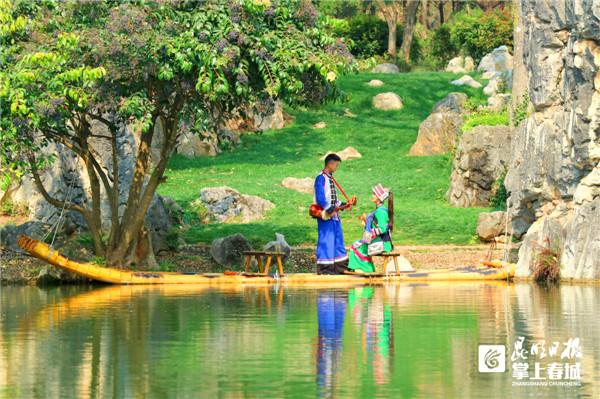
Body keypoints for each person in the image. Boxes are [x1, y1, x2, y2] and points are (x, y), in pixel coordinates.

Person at [314, 153, 352, 275]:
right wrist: (329, 209)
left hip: (334, 216)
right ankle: (325, 269)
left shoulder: (330, 178)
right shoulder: (321, 178)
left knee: (338, 240)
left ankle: (340, 267)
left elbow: (334, 199)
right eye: (336, 165)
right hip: (326, 215)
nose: (336, 168)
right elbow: (321, 198)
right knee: (326, 240)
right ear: (329, 164)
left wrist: (345, 204)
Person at [348, 184, 393, 273]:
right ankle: (363, 268)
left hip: (383, 244)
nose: (372, 196)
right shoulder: (379, 210)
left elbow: (382, 229)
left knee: (357, 246)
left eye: (374, 194)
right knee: (357, 244)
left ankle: (366, 269)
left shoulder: (381, 212)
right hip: (379, 241)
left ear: (379, 198)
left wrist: (368, 236)